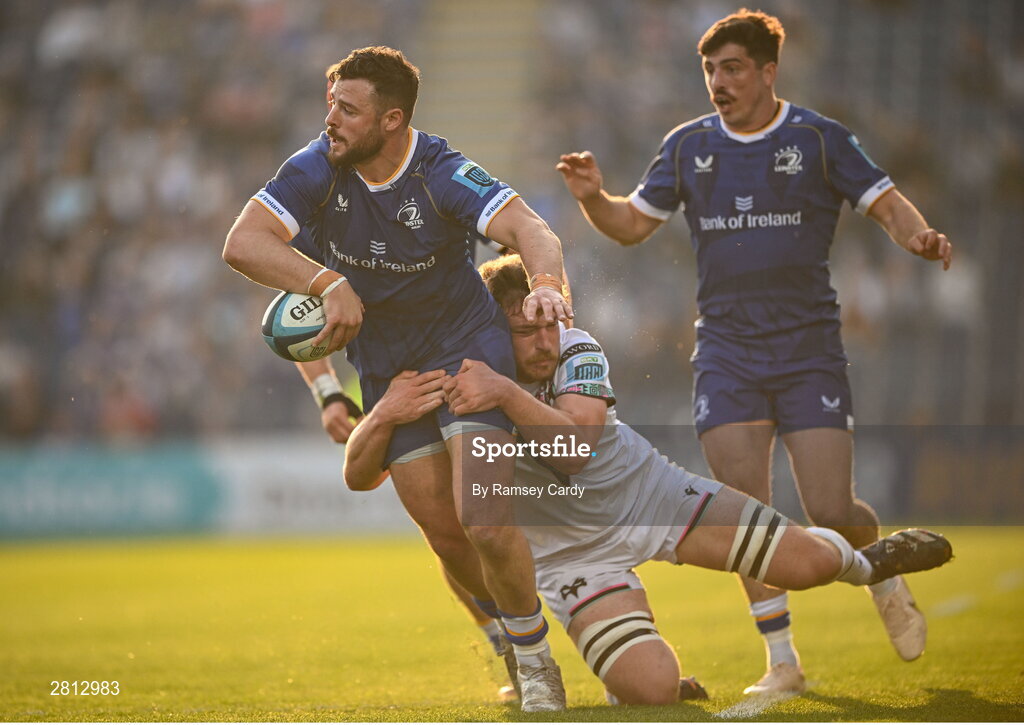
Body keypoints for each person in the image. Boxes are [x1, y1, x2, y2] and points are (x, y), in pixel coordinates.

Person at [342, 253, 953, 706]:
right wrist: (387, 413)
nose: (545, 342)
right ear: (487, 330)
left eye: (548, 324)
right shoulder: (450, 372)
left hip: (653, 496)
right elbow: (360, 475)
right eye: (525, 331)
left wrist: (502, 391)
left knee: (810, 567)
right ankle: (625, 647)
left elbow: (575, 448)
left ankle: (874, 567)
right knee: (653, 689)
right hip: (575, 560)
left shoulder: (576, 347)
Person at [555, 9, 954, 695]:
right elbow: (629, 226)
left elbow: (885, 202)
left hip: (808, 351)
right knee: (747, 510)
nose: (718, 80)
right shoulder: (686, 146)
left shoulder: (818, 139)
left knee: (831, 507)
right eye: (710, 69)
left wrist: (916, 235)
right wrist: (595, 199)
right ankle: (782, 659)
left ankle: (881, 574)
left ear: (769, 71)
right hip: (727, 352)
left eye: (732, 67)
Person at [223, 46, 573, 711]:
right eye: (329, 104)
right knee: (445, 531)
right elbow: (243, 243)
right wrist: (328, 284)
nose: (331, 120)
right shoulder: (315, 169)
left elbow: (529, 227)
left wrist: (548, 286)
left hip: (467, 348)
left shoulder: (439, 171)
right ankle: (507, 634)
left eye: (347, 110)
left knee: (486, 521)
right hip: (388, 369)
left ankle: (537, 661)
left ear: (391, 121)